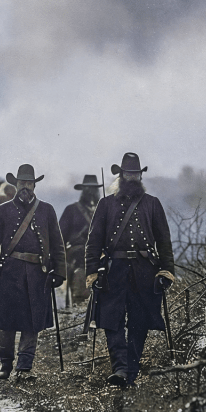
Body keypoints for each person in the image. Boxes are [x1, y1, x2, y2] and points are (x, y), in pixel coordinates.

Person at [84, 153, 175, 387]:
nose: (132, 177)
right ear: (121, 175)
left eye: (136, 173)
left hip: (144, 271)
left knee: (139, 322)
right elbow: (93, 241)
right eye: (128, 173)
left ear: (140, 175)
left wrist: (166, 271)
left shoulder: (153, 203)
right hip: (113, 270)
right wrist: (92, 272)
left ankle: (131, 371)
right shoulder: (106, 204)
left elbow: (164, 241)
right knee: (110, 321)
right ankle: (121, 368)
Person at [0, 164, 66, 379]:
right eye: (22, 183)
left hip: (37, 273)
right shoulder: (2, 210)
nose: (26, 187)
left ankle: (24, 366)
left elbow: (57, 244)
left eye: (29, 183)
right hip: (9, 272)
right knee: (6, 321)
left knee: (33, 322)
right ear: (15, 185)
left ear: (34, 186)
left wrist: (59, 271)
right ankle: (5, 363)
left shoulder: (46, 210)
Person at [59, 174, 103, 305]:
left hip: (100, 261)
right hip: (78, 261)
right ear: (83, 190)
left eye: (93, 188)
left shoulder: (104, 211)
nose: (90, 191)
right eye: (87, 188)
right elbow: (60, 239)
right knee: (80, 301)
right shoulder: (71, 210)